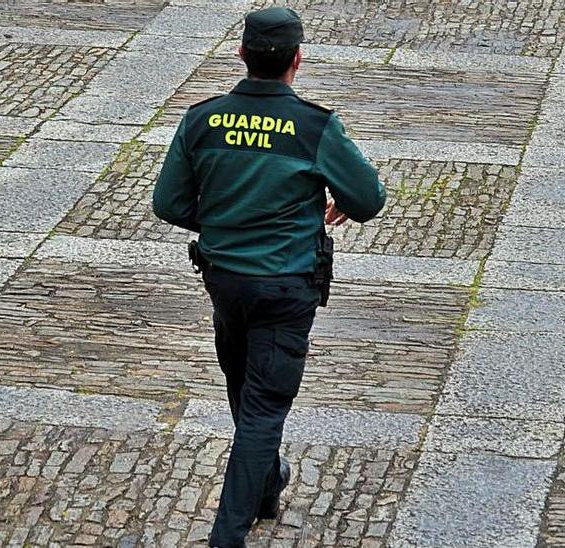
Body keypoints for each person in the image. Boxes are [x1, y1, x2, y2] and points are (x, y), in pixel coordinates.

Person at [151, 6, 387, 546]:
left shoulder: (202, 119)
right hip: (286, 284)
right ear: (297, 59)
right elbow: (367, 199)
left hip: (226, 279)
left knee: (244, 384)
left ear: (241, 56)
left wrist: (224, 220)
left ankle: (266, 483)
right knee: (263, 408)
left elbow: (169, 203)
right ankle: (227, 536)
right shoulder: (313, 126)